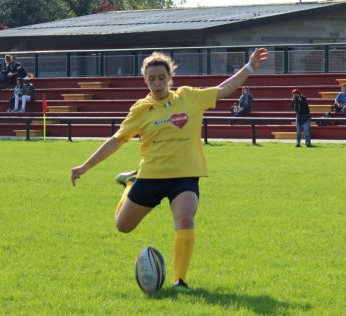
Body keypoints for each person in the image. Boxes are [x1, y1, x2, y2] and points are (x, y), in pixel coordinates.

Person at [70, 48, 268, 292]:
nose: (157, 83)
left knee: (185, 218)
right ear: (145, 80)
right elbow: (116, 140)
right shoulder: (141, 109)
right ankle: (130, 183)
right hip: (151, 176)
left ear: (170, 77)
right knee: (123, 226)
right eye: (151, 79)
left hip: (184, 176)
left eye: (161, 78)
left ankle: (180, 281)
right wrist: (86, 166)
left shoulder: (188, 97)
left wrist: (249, 67)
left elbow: (223, 89)